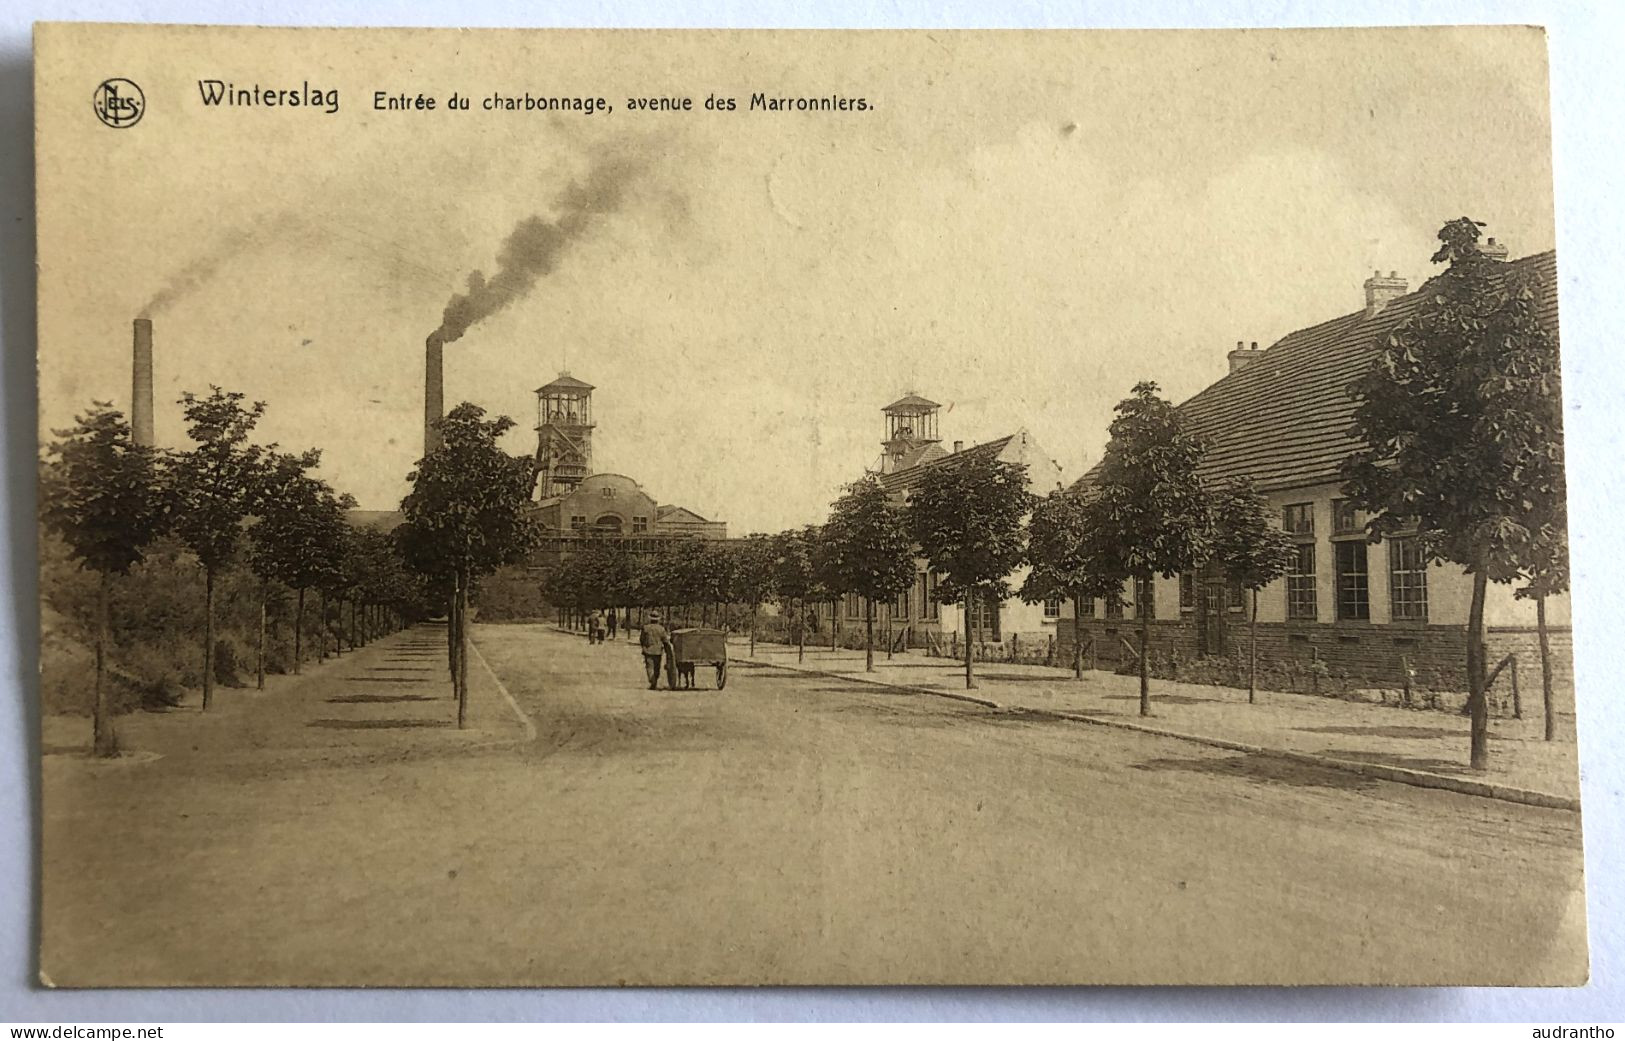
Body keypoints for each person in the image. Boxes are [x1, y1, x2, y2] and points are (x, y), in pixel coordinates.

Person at [640, 611, 673, 690]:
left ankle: (652, 681)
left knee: (649, 667)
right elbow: (665, 640)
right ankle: (654, 682)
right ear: (658, 619)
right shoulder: (661, 629)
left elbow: (641, 639)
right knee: (657, 668)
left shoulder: (645, 628)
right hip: (658, 651)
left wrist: (644, 646)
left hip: (648, 650)